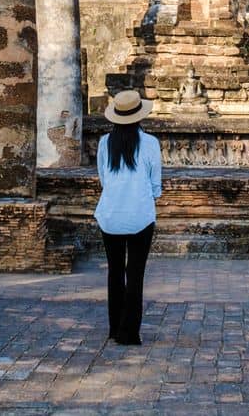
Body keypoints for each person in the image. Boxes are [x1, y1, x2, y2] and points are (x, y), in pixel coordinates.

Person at [95, 89, 162, 346]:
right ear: (139, 116)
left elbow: (104, 178)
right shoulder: (150, 143)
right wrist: (145, 196)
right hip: (140, 216)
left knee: (114, 272)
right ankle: (129, 332)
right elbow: (155, 182)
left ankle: (114, 328)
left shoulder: (104, 143)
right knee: (135, 274)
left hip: (110, 215)